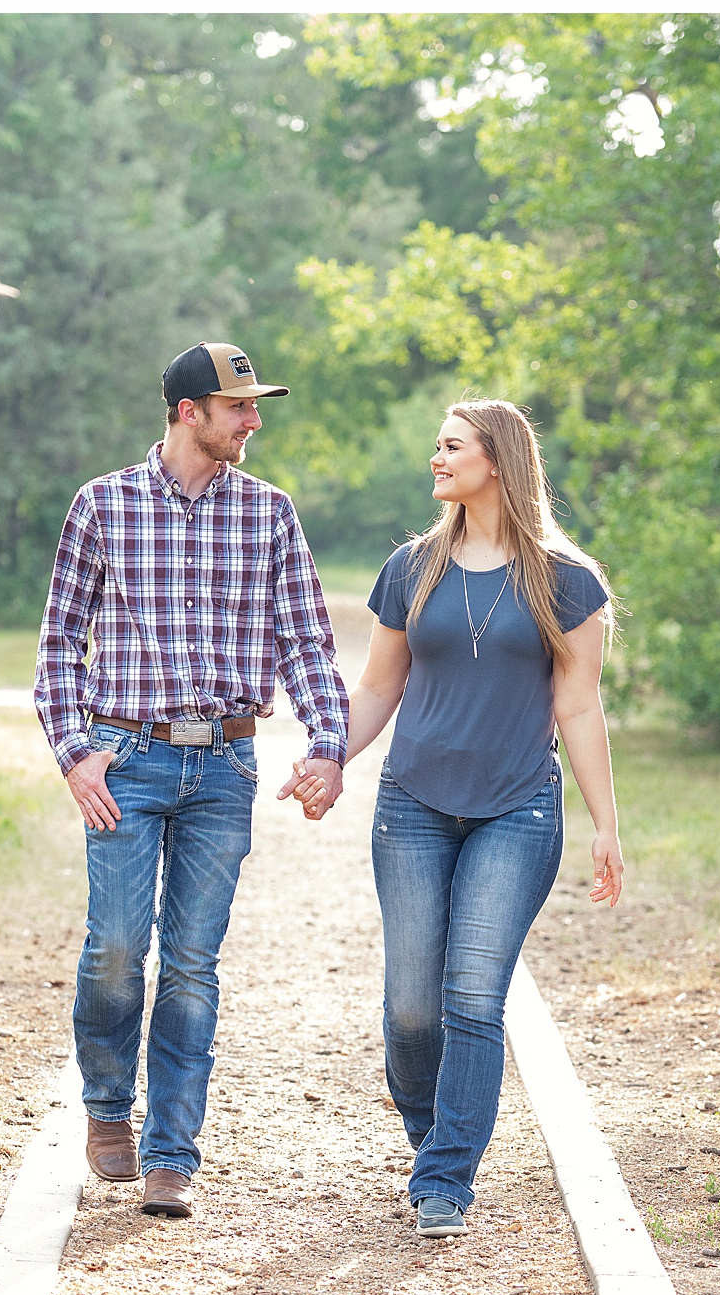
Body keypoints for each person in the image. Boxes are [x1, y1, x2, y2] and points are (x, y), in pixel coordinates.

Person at [290, 399, 623, 1238]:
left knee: (472, 997)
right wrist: (330, 756)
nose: (435, 460)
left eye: (450, 447)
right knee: (411, 1007)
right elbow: (376, 686)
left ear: (497, 461)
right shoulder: (413, 568)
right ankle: (431, 1134)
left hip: (517, 807)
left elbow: (579, 708)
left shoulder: (568, 582)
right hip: (414, 805)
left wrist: (605, 825)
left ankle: (444, 1177)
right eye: (436, 448)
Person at [34, 344, 350, 1221]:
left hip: (225, 765)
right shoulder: (102, 506)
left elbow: (309, 644)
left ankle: (173, 1151)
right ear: (187, 412)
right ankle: (107, 1107)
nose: (254, 420)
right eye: (238, 406)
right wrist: (74, 750)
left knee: (192, 967)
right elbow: (61, 642)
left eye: (255, 407)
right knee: (117, 948)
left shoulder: (270, 515)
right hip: (123, 761)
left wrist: (328, 743)